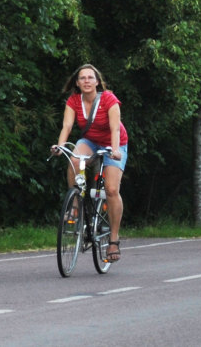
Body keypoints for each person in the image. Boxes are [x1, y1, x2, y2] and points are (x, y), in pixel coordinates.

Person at [52, 64, 128, 263]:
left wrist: (116, 150)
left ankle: (113, 239)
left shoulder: (109, 100)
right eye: (82, 78)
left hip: (115, 143)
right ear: (77, 83)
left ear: (97, 81)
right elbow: (67, 126)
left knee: (111, 189)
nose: (86, 81)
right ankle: (75, 201)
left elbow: (115, 129)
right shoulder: (74, 101)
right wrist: (60, 146)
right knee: (74, 158)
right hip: (90, 141)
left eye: (90, 77)